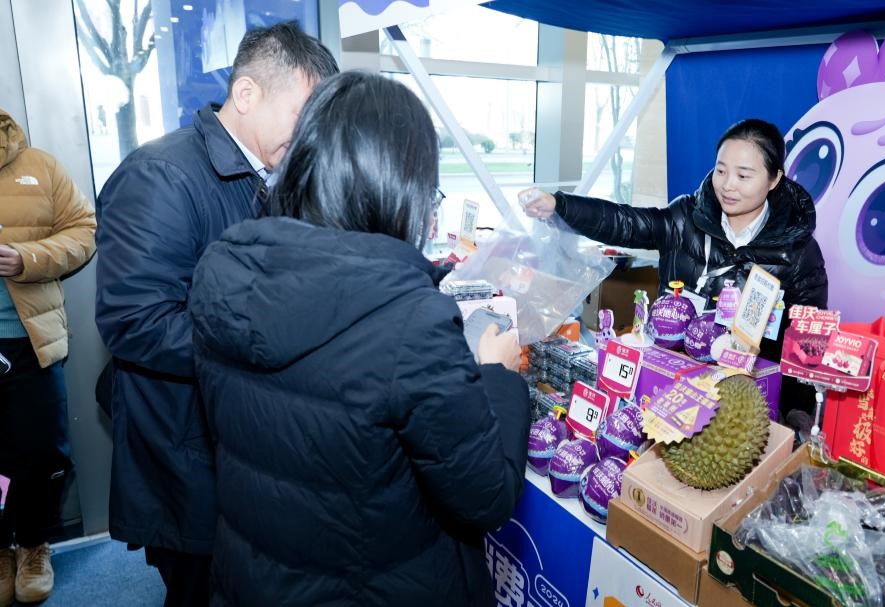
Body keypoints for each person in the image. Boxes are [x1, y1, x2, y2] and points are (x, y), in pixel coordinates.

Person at [188, 71, 530, 606]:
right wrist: (497, 376)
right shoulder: (410, 322)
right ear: (398, 185)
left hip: (254, 576)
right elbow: (484, 495)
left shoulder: (221, 271)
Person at [94, 21, 337, 605]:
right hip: (186, 445)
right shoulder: (161, 176)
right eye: (303, 114)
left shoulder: (270, 174)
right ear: (247, 94)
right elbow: (135, 322)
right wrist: (268, 344)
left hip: (236, 438)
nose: (310, 136)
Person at [521, 118, 827, 415]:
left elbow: (805, 348)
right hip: (666, 381)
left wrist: (795, 414)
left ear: (774, 179)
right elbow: (626, 222)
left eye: (744, 176)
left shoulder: (799, 253)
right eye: (721, 171)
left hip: (741, 403)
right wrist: (560, 206)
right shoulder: (685, 218)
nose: (728, 186)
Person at [0, 108, 96, 606]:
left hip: (28, 338)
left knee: (42, 452)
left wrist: (28, 258)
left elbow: (83, 228)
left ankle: (34, 544)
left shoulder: (38, 164)